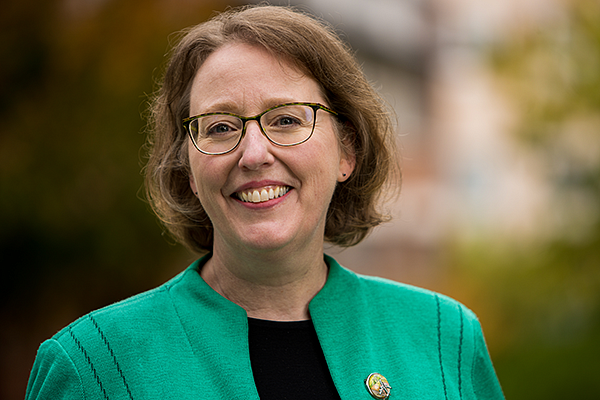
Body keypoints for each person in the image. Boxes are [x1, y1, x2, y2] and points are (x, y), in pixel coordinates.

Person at [25, 5, 504, 400]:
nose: (254, 154)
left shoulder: (446, 339)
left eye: (287, 120)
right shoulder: (93, 367)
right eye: (219, 127)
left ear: (347, 150)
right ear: (188, 170)